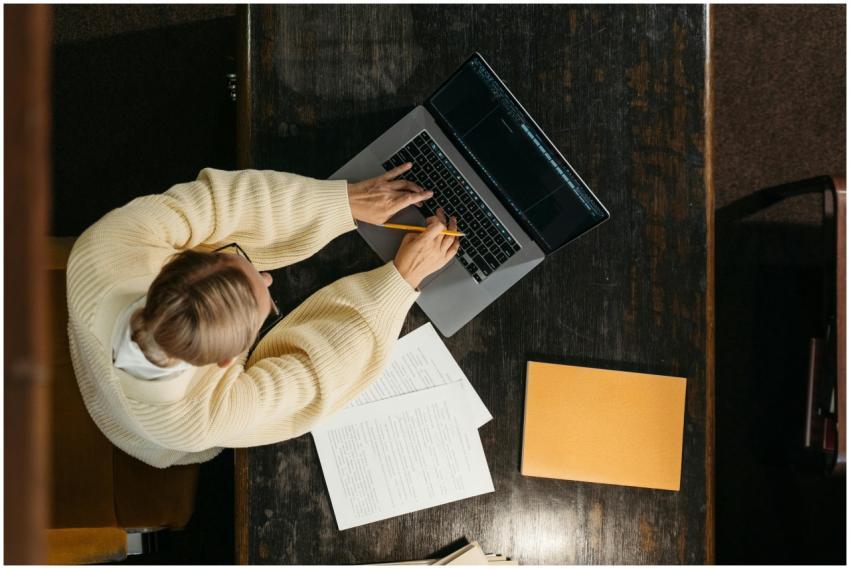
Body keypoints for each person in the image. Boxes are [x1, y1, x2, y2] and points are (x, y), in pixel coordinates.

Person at [66, 164, 459, 468]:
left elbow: (223, 202)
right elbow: (315, 377)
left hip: (91, 341)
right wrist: (401, 280)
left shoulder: (106, 245)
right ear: (228, 361)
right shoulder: (197, 418)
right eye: (267, 305)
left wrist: (343, 202)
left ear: (180, 264)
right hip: (136, 429)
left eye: (235, 262)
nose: (268, 277)